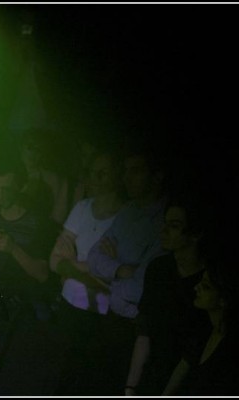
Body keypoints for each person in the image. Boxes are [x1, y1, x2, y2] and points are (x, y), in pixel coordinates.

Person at [0, 151, 60, 395]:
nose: (1, 195)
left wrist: (13, 249)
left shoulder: (36, 222)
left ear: (20, 186)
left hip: (17, 312)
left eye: (7, 188)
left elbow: (42, 274)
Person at [84, 135, 168, 394]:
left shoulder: (166, 221)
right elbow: (93, 257)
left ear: (157, 177)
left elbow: (141, 291)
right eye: (126, 171)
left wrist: (111, 276)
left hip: (138, 333)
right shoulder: (128, 211)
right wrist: (121, 269)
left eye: (136, 171)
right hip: (112, 323)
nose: (127, 178)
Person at [50, 148, 126, 394]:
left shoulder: (126, 217)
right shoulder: (82, 208)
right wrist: (88, 270)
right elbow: (54, 260)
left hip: (100, 315)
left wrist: (73, 266)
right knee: (61, 378)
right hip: (68, 307)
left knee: (88, 381)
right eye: (93, 173)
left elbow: (116, 279)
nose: (95, 179)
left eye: (103, 173)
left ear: (117, 175)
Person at [124, 191, 211, 395]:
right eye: (166, 223)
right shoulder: (159, 268)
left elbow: (193, 351)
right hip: (152, 374)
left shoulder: (208, 283)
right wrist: (130, 386)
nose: (163, 231)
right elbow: (145, 329)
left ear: (195, 233)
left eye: (174, 226)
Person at [162, 241, 239, 395]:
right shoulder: (203, 328)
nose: (196, 287)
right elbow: (184, 365)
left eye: (206, 286)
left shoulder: (231, 350)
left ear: (223, 298)